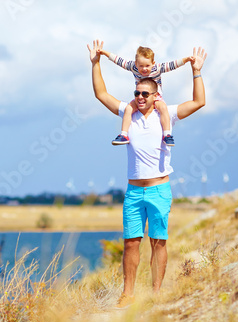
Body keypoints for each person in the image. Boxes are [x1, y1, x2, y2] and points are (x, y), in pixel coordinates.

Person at [87, 39, 207, 307]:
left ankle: (156, 294)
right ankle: (127, 295)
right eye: (137, 93)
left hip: (159, 189)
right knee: (131, 243)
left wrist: (195, 70)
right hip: (133, 192)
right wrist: (96, 63)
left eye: (144, 94)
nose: (139, 98)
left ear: (155, 95)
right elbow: (101, 94)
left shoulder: (168, 114)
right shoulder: (128, 113)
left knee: (158, 243)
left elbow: (199, 101)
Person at [98, 46, 193, 147]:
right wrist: (104, 53)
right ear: (136, 64)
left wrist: (186, 59)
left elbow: (172, 65)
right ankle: (124, 135)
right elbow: (119, 61)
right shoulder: (132, 67)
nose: (144, 69)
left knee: (163, 108)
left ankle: (167, 135)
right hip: (140, 96)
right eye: (141, 66)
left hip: (155, 97)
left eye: (147, 65)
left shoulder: (157, 68)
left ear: (153, 63)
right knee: (129, 108)